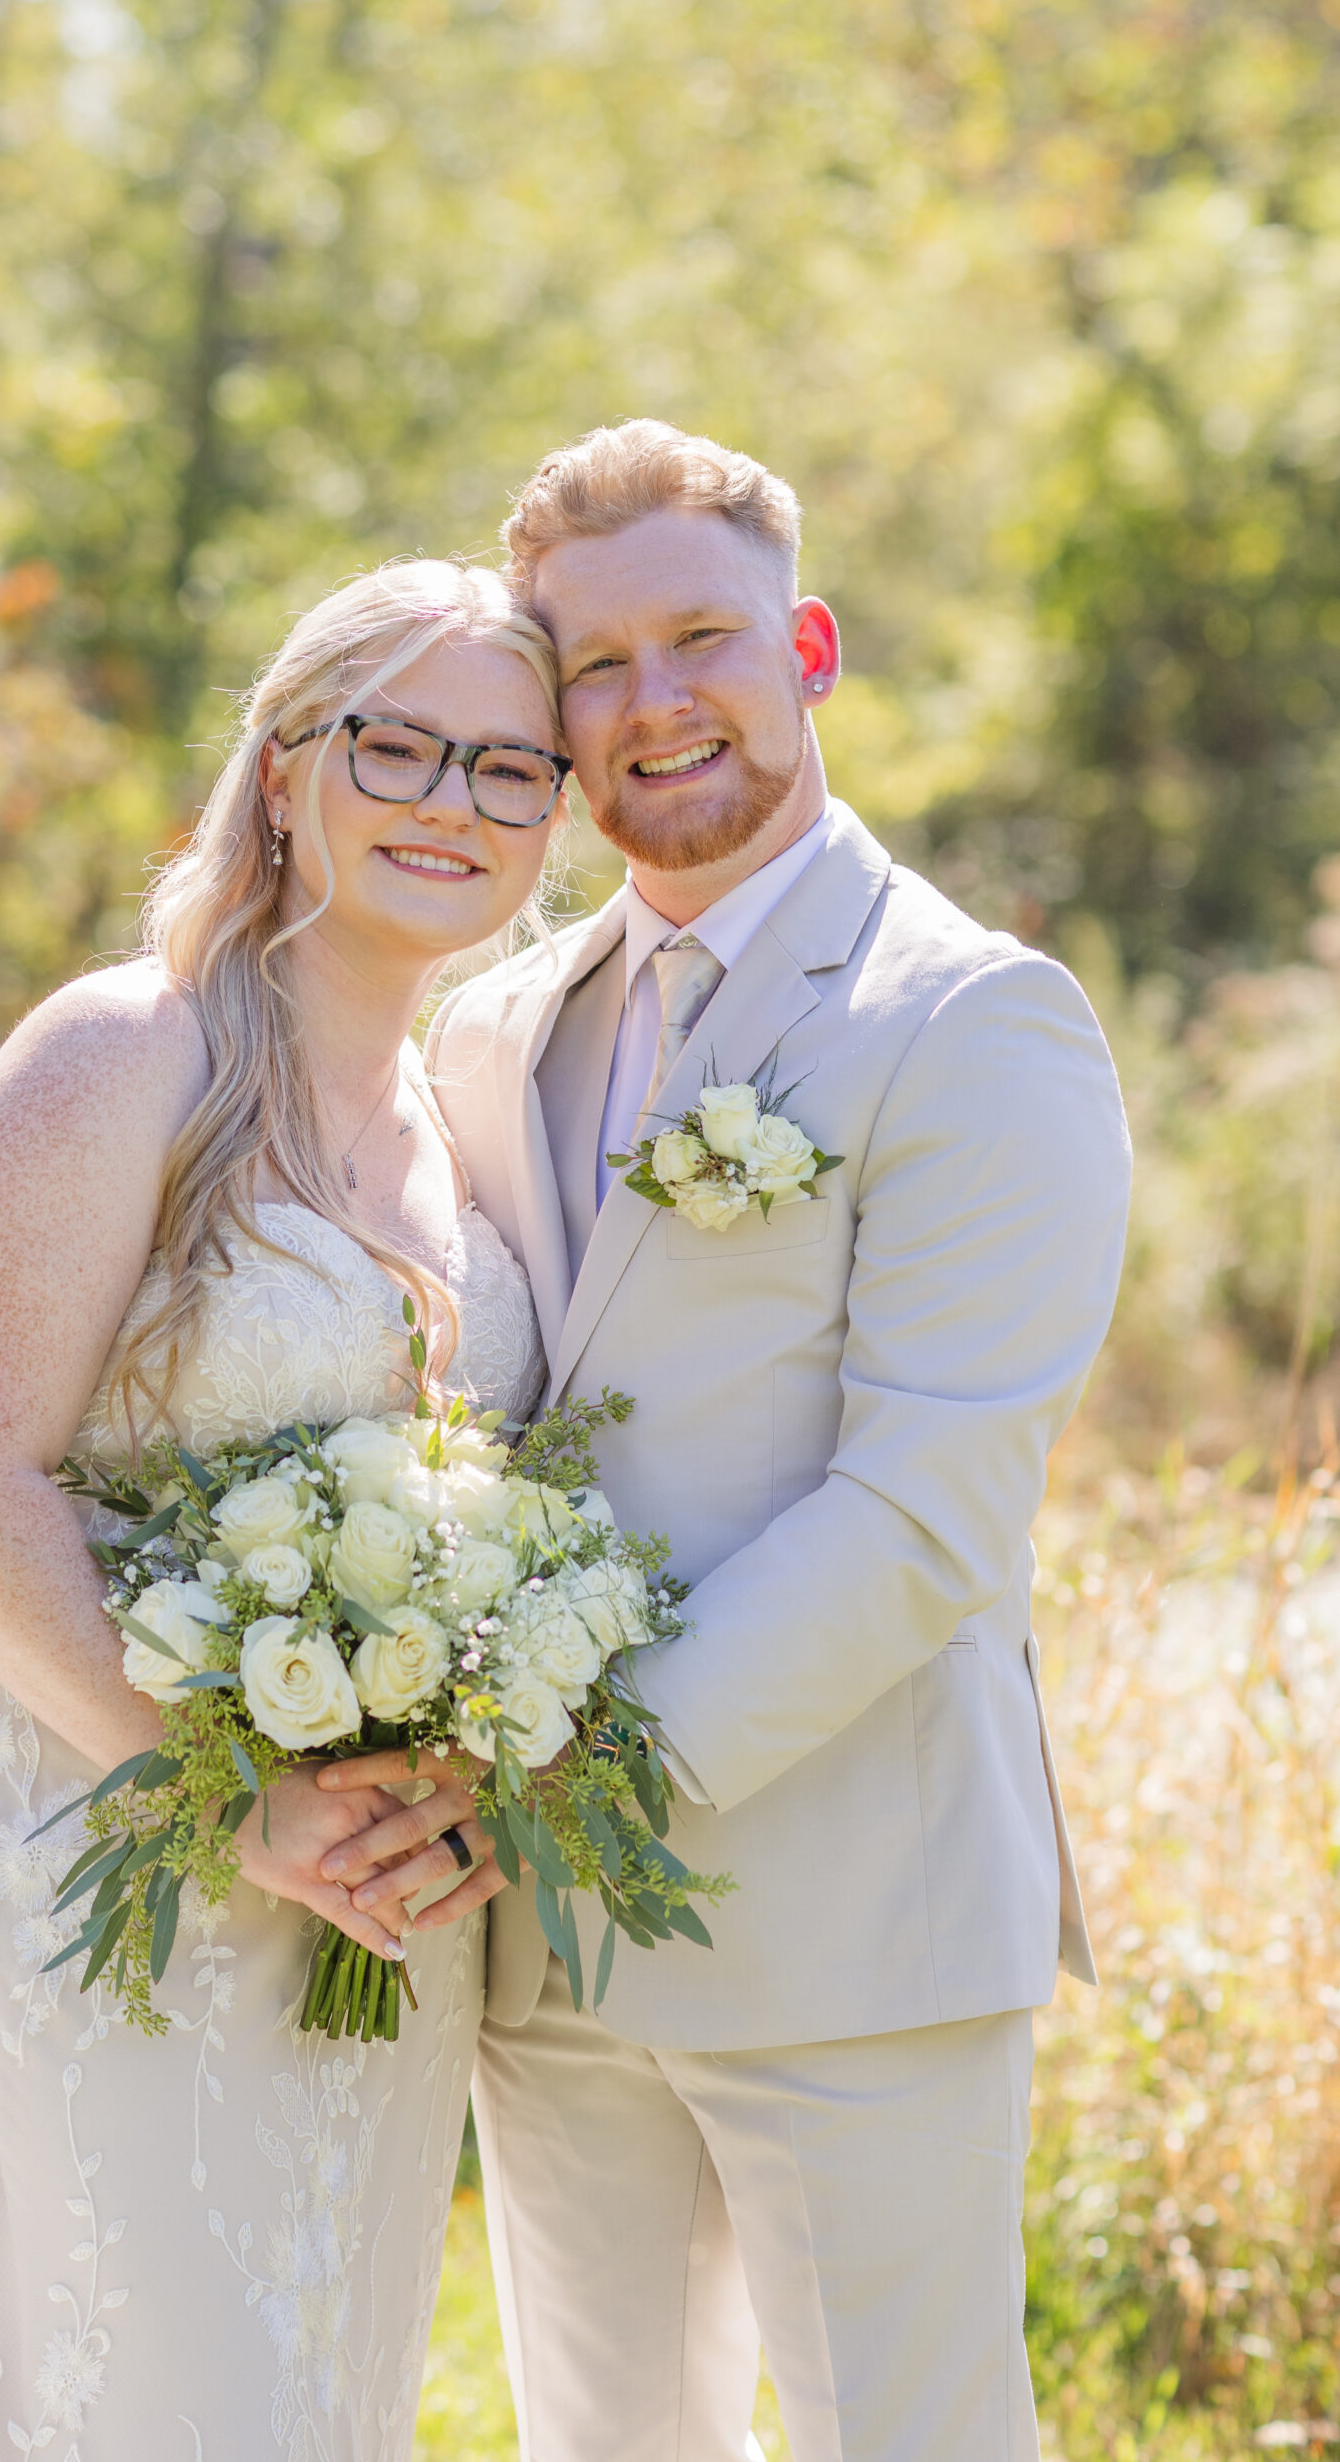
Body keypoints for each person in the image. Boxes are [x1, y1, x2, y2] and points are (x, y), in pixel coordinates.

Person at [316, 421, 1133, 2462]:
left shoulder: (970, 1021)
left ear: (810, 646)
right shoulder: (495, 1023)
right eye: (590, 662)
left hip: (846, 1912)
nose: (650, 699)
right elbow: (418, 1371)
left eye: (700, 636)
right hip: (539, 1951)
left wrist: (568, 1781)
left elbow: (924, 1504)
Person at [0, 560, 559, 2460]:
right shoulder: (128, 1051)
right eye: (399, 744)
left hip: (363, 1883)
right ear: (283, 769)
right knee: (118, 2363)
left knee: (305, 2371)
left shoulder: (460, 1121)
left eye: (512, 769)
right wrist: (234, 1795)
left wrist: (426, 1769)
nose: (454, 804)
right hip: (94, 1827)